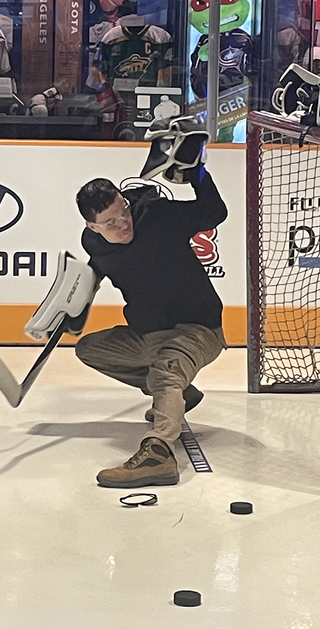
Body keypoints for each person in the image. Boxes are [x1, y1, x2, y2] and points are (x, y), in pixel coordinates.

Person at [75, 164, 227, 488]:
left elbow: (214, 212)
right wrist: (68, 306)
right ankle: (180, 395)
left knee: (165, 373)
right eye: (110, 222)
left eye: (123, 211)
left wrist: (196, 172)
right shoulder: (94, 244)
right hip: (150, 335)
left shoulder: (156, 216)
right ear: (92, 226)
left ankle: (158, 454)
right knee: (89, 349)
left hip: (196, 328)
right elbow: (95, 271)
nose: (122, 223)